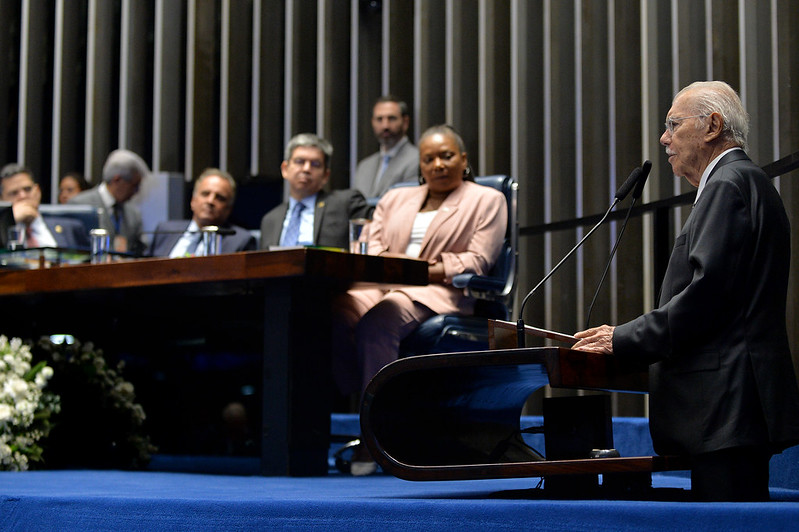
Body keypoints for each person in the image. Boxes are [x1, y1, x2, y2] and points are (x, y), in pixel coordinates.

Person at [571, 81, 799, 502]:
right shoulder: (742, 183)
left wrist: (624, 337)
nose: (664, 138)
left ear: (712, 126)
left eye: (674, 124)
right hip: (731, 404)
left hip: (727, 404)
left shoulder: (729, 185)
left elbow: (706, 296)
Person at [332, 124, 507, 475]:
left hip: (441, 291)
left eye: (447, 156)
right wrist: (389, 272)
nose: (438, 165)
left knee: (379, 320)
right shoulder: (395, 198)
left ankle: (377, 435)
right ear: (421, 165)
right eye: (429, 159)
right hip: (380, 286)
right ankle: (357, 392)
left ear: (464, 159)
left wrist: (414, 270)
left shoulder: (487, 199)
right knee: (334, 310)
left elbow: (476, 261)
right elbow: (370, 246)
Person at [259, 133, 369, 250]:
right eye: (300, 161)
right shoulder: (270, 219)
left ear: (326, 175)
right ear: (285, 169)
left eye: (315, 164)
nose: (306, 169)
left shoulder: (345, 204)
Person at [148, 168, 256, 257]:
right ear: (193, 201)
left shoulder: (240, 241)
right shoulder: (165, 231)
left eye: (219, 198)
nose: (210, 201)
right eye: (205, 194)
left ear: (229, 209)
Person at [69, 149, 149, 257]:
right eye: (134, 185)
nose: (136, 192)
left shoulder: (133, 213)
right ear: (117, 180)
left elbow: (142, 250)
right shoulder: (79, 206)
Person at [0, 164, 89, 249]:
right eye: (14, 193)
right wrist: (10, 220)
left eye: (27, 189)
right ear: (2, 199)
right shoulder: (2, 233)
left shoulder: (71, 227)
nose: (23, 196)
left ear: (38, 191)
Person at [352, 95, 419, 198]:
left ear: (405, 122)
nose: (385, 126)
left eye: (391, 118)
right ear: (372, 123)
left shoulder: (418, 160)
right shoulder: (364, 166)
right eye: (379, 119)